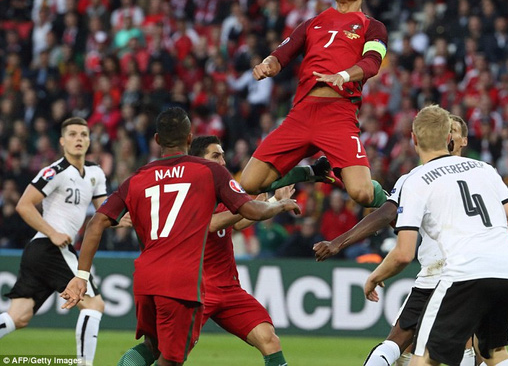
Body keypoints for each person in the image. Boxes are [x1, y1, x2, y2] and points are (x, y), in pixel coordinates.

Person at [60, 108, 300, 366]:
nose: (221, 161)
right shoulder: (208, 174)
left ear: (157, 140)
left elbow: (96, 223)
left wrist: (81, 276)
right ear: (189, 138)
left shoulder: (137, 179)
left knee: (154, 345)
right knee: (171, 359)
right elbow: (249, 210)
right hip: (183, 281)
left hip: (147, 277)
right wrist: (279, 205)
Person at [363, 105, 508, 366]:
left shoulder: (417, 180)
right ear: (449, 139)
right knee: (495, 354)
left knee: (422, 357)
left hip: (465, 272)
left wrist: (375, 276)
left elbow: (403, 254)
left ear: (413, 139)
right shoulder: (484, 169)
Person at [316, 114, 477, 366]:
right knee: (474, 348)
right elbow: (388, 213)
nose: (452, 135)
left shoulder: (429, 177)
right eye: (449, 129)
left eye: (456, 130)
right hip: (466, 270)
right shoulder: (481, 174)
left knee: (470, 347)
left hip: (452, 270)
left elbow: (397, 237)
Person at [246, 0, 389, 208]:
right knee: (249, 183)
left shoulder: (372, 26)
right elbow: (282, 53)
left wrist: (342, 76)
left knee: (362, 194)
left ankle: (390, 202)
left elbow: (372, 62)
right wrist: (268, 64)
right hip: (301, 113)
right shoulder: (313, 23)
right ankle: (311, 173)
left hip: (338, 113)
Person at [0, 117, 107, 366]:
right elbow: (24, 205)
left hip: (41, 252)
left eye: (83, 134)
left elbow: (106, 214)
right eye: (72, 134)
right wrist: (52, 233)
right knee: (94, 304)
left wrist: (134, 218)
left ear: (90, 140)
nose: (78, 138)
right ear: (62, 141)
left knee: (19, 316)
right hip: (51, 247)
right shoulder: (55, 171)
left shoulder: (95, 173)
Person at [188, 135, 292, 366]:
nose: (223, 162)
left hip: (228, 289)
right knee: (167, 352)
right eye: (216, 156)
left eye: (223, 156)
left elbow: (236, 222)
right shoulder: (187, 193)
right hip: (196, 289)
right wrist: (265, 206)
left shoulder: (222, 191)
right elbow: (212, 224)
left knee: (269, 339)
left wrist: (271, 201)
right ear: (198, 161)